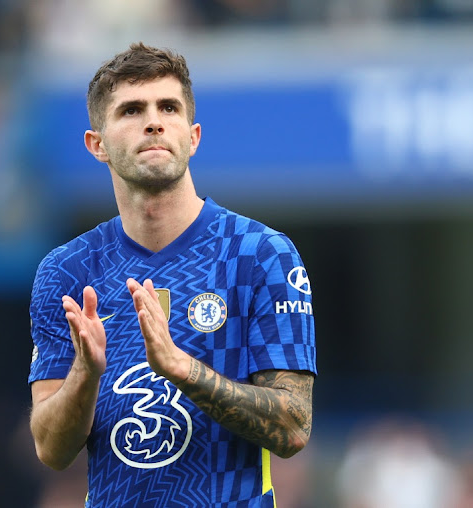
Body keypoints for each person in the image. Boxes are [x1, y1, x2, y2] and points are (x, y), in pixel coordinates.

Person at [28, 42, 316, 507]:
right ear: (96, 144)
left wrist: (184, 370)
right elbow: (51, 449)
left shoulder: (259, 255)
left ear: (193, 135)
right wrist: (86, 372)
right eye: (131, 110)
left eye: (169, 107)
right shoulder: (67, 271)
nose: (154, 120)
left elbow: (293, 427)